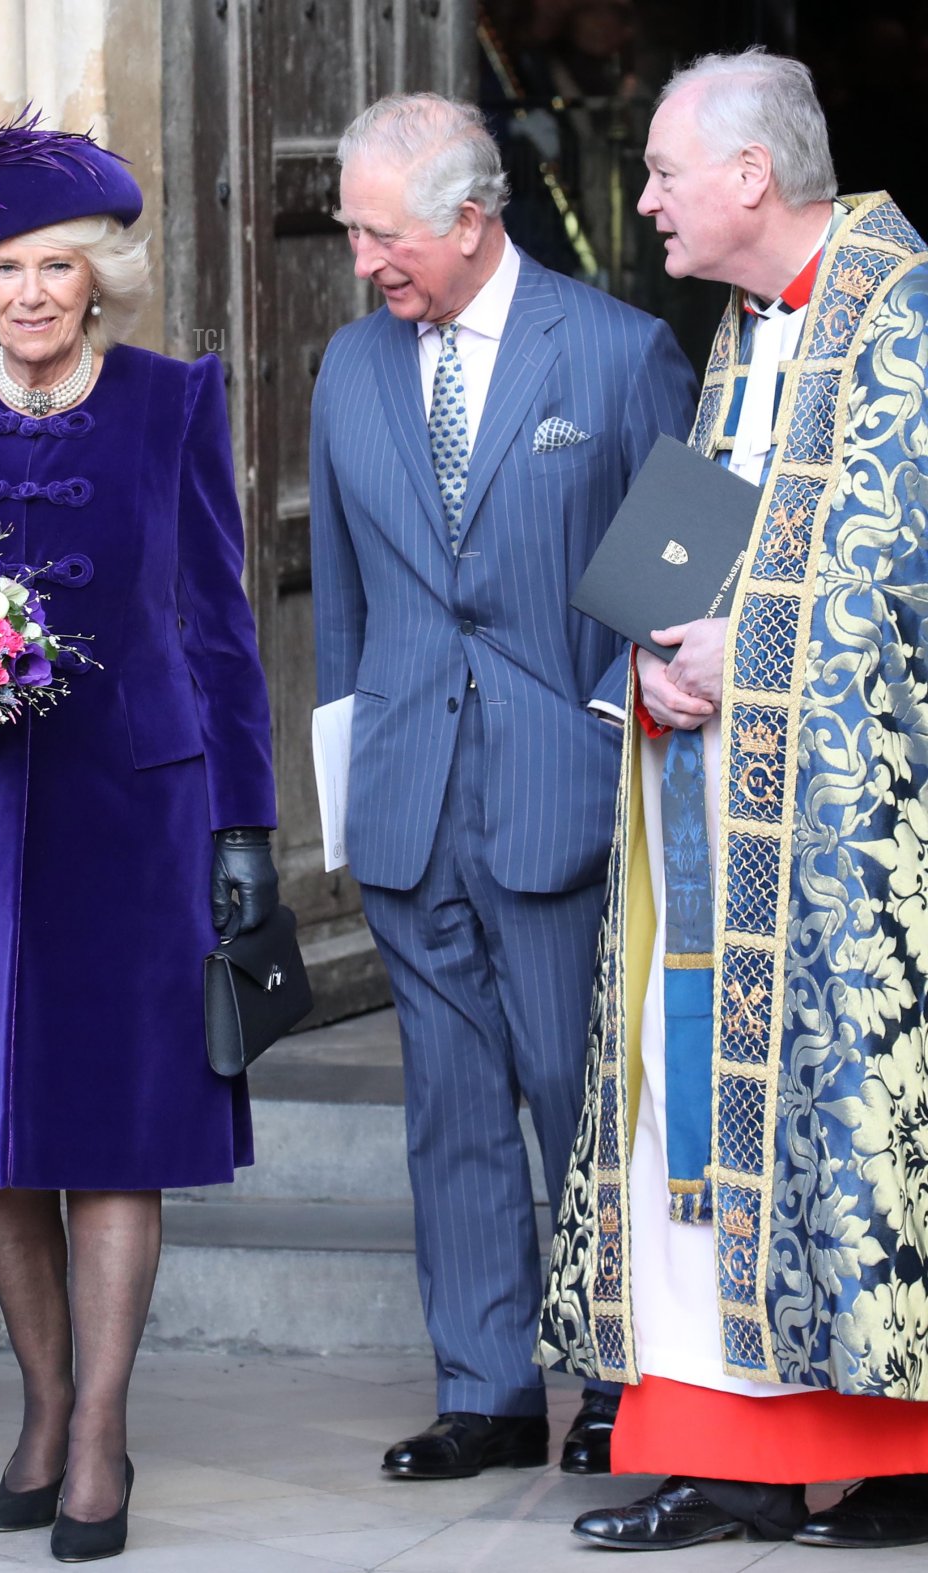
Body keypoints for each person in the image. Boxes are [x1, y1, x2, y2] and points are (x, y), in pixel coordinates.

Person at [0, 111, 278, 1565]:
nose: (27, 292)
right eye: (2, 269)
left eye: (55, 266)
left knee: (113, 1135)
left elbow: (218, 625)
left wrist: (245, 825)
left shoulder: (171, 401)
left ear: (101, 278)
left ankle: (99, 1438)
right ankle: (40, 1403)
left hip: (130, 816)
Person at [538, 48, 928, 1552]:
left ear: (753, 178)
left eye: (662, 173)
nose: (642, 202)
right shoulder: (745, 328)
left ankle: (892, 1461)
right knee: (685, 1117)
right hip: (705, 817)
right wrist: (649, 657)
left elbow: (900, 589)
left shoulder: (904, 320)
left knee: (850, 1130)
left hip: (851, 846)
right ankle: (728, 1454)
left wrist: (743, 653)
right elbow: (693, 547)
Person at [310, 93, 695, 1481]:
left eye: (381, 233)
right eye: (354, 231)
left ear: (472, 219)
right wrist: (349, 797)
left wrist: (612, 733)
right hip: (411, 797)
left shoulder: (618, 347)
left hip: (565, 795)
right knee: (450, 1109)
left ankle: (612, 1379)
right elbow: (343, 608)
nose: (363, 260)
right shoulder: (350, 368)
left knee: (579, 1097)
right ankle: (479, 1387)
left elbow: (681, 557)